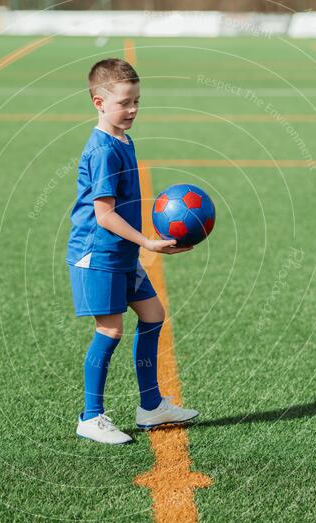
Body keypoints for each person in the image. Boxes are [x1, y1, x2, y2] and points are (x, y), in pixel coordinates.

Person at [66, 58, 199, 444]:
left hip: (122, 252)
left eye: (137, 101)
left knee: (153, 314)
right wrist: (148, 242)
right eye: (125, 102)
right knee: (110, 329)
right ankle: (91, 417)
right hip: (99, 254)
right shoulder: (103, 149)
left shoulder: (124, 140)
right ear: (98, 102)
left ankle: (151, 406)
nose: (133, 109)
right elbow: (104, 215)